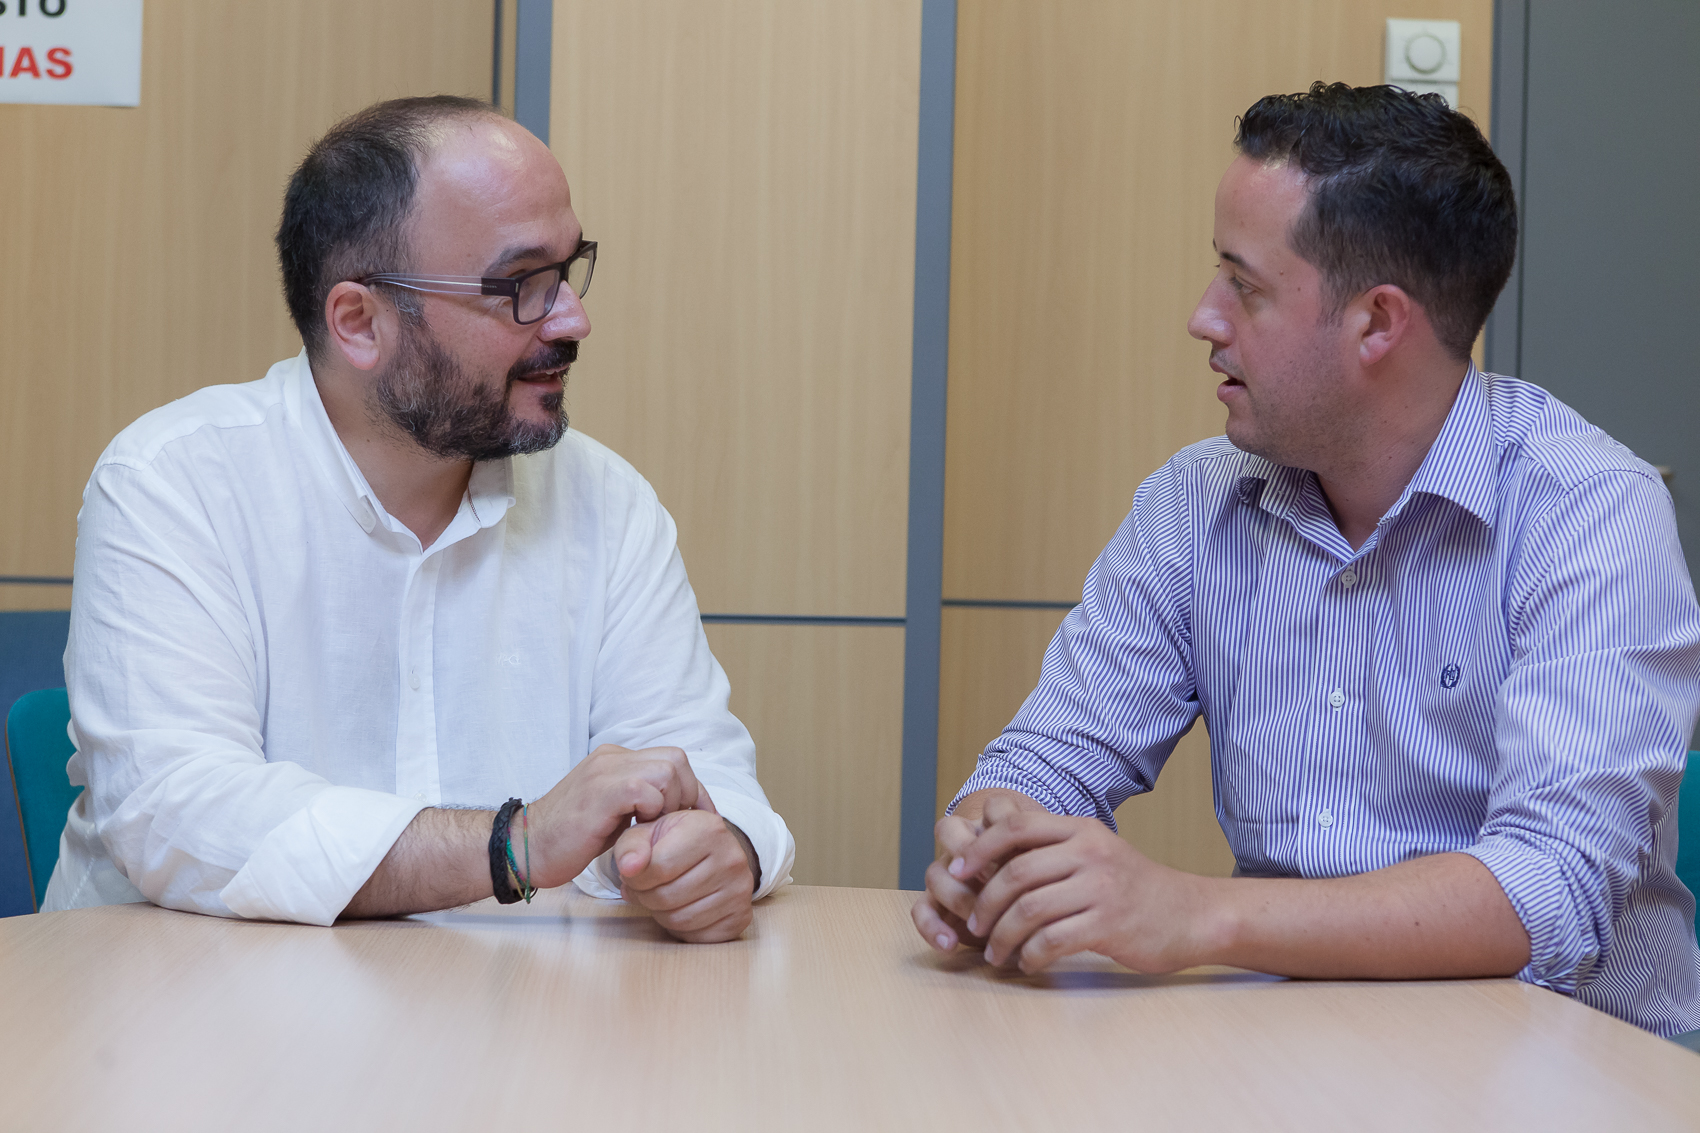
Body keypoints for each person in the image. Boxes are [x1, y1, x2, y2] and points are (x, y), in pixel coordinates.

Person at [913, 82, 1700, 1035]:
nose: (1204, 318)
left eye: (1243, 287)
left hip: (1567, 1064)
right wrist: (996, 840)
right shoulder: (1195, 503)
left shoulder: (1592, 512)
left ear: (1377, 322)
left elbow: (1550, 888)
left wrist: (1195, 912)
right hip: (1286, 1050)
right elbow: (1053, 757)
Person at [46, 95, 794, 938]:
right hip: (184, 999)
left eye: (569, 269)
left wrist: (717, 846)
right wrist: (516, 844)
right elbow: (179, 813)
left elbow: (707, 770)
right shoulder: (172, 483)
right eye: (521, 285)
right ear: (360, 322)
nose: (573, 318)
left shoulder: (607, 503)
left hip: (513, 1007)